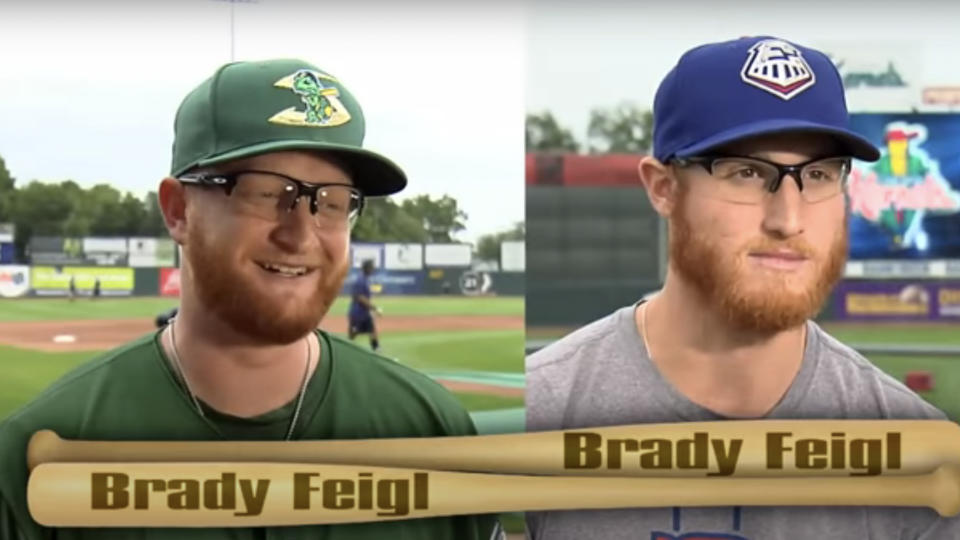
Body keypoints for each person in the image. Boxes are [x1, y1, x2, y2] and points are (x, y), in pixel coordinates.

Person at [0, 59, 502, 540]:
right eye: (265, 192)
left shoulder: (432, 432)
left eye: (332, 202)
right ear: (178, 211)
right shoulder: (44, 455)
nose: (301, 234)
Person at [525, 36, 959, 540]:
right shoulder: (544, 411)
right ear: (664, 188)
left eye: (818, 174)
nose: (788, 218)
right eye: (747, 172)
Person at [348, 259, 382, 351]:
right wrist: (374, 308)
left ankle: (376, 349)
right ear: (367, 268)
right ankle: (346, 349)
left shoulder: (366, 279)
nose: (373, 269)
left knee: (372, 330)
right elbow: (360, 298)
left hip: (364, 313)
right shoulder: (361, 280)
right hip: (357, 313)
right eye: (371, 267)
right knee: (353, 333)